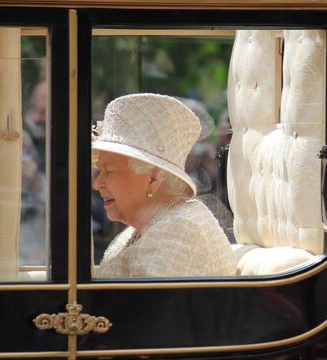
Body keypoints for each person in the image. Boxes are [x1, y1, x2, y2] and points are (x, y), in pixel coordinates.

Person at [92, 93, 237, 278]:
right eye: (99, 171)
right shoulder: (149, 226)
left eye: (110, 171)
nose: (97, 184)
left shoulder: (179, 231)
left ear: (153, 178)